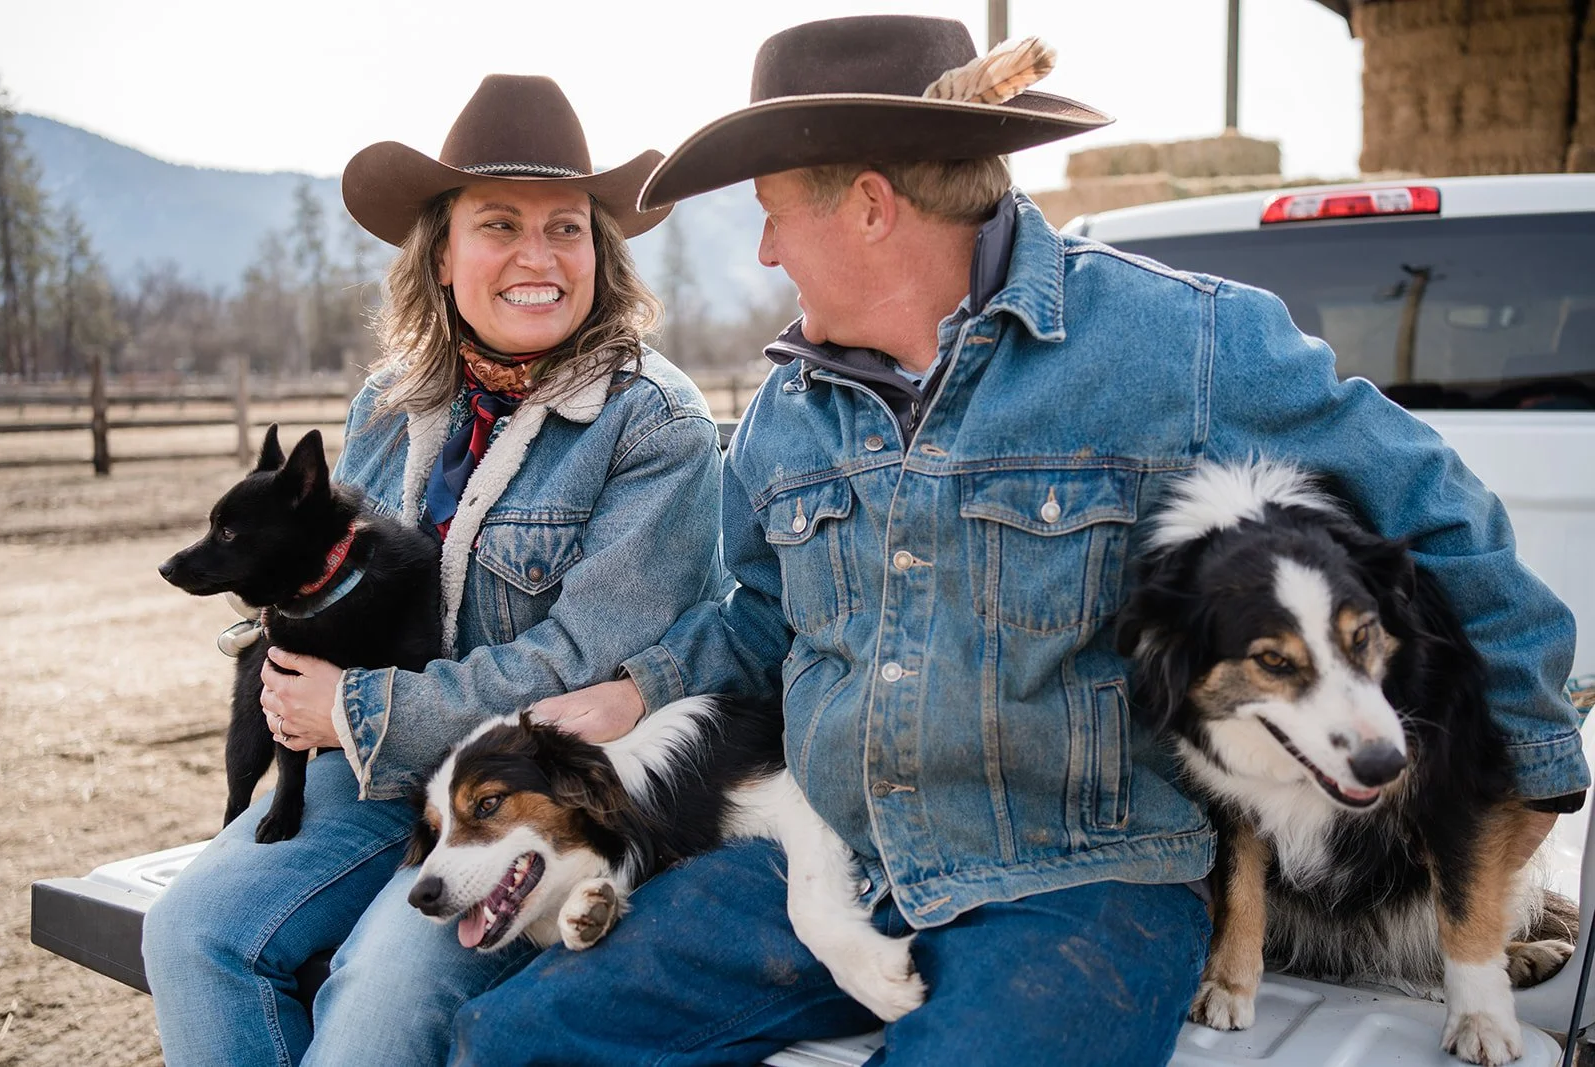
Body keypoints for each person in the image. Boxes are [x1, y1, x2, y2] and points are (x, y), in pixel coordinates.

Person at [450, 16, 1591, 1067]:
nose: (760, 251)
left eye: (772, 210)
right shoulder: (786, 415)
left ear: (867, 205)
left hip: (1081, 887)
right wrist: (635, 687)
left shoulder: (1181, 342)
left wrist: (1534, 767)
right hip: (839, 855)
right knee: (508, 1041)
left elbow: (1443, 519)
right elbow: (754, 619)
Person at [140, 75, 728, 1067]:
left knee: (377, 999)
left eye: (567, 228)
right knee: (191, 935)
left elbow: (578, 669)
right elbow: (327, 578)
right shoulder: (389, 402)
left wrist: (360, 709)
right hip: (369, 779)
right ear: (443, 252)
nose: (538, 257)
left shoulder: (652, 424)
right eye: (499, 225)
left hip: (525, 795)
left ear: (602, 251)